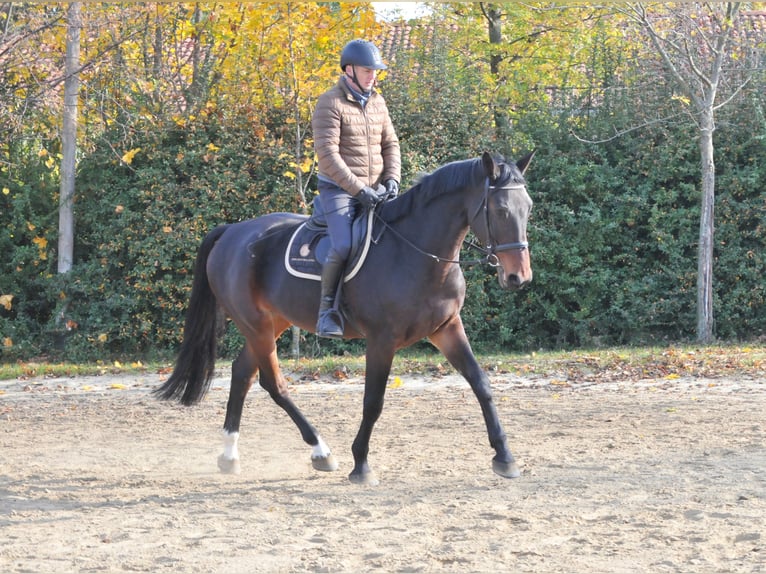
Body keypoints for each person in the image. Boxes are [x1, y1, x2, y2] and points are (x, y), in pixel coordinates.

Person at [311, 39, 401, 338]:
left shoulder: (378, 102)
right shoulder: (330, 102)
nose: (372, 75)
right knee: (344, 245)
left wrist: (393, 179)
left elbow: (390, 144)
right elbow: (328, 155)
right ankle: (327, 312)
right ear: (348, 70)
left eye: (375, 71)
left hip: (377, 188)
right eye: (367, 70)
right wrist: (359, 189)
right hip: (338, 190)